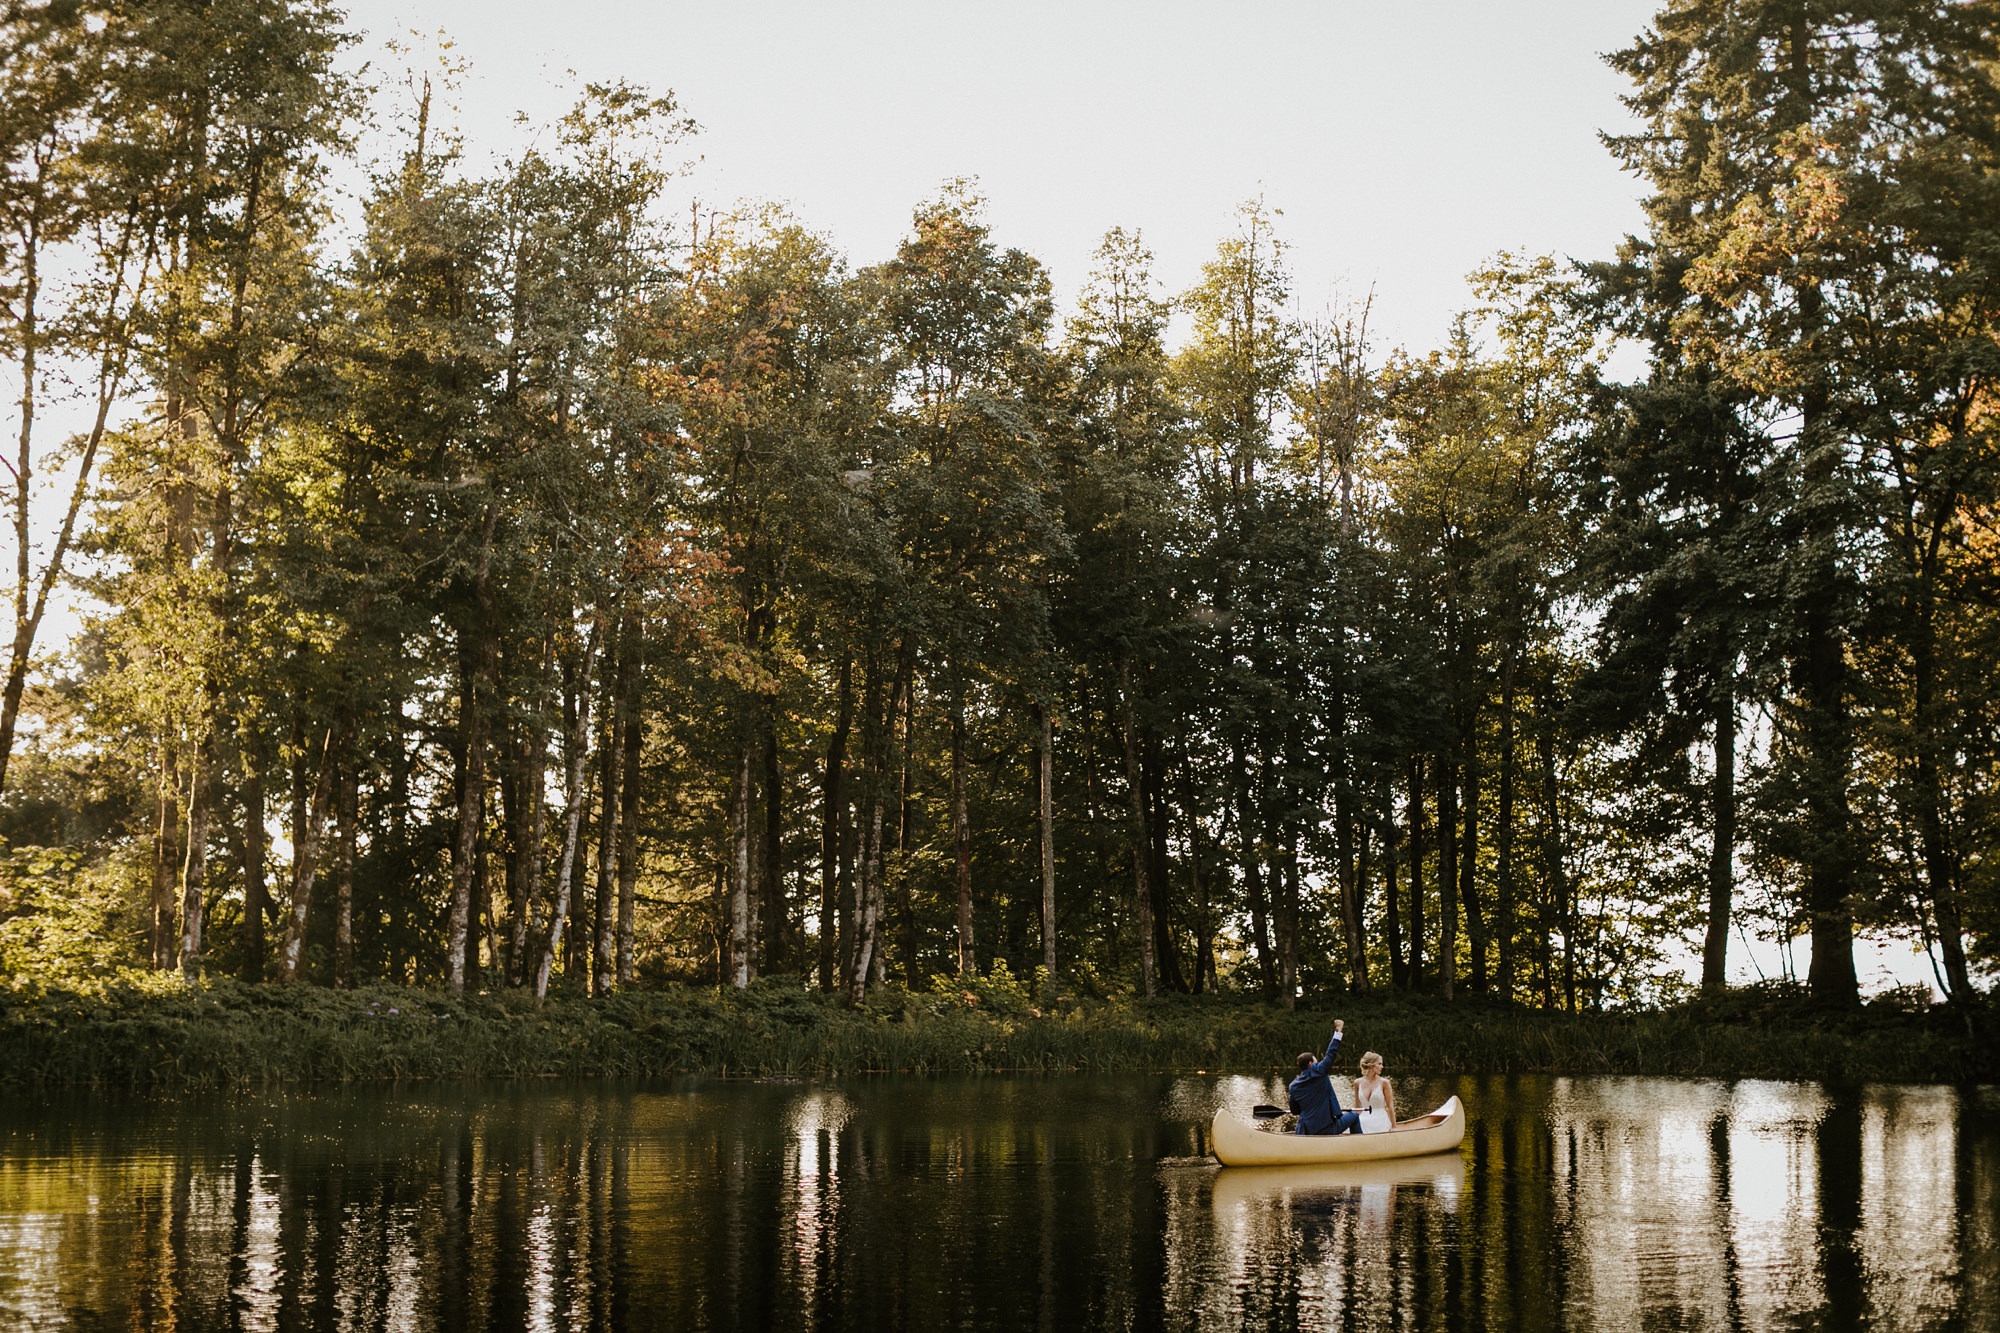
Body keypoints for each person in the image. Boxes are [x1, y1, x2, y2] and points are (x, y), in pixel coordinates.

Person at [1287, 1018, 1362, 1135]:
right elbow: (1331, 1052)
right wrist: (1339, 1030)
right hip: (1326, 1128)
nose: (1318, 1063)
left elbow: (1295, 1111)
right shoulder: (1319, 1071)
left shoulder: (1293, 1086)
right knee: (1354, 1116)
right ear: (1310, 1064)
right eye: (1316, 1061)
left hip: (1306, 1130)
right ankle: (1359, 1146)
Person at [1353, 1051, 1397, 1133]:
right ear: (1372, 1065)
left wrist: (1394, 1126)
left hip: (1380, 1121)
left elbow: (1390, 1106)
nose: (1382, 1067)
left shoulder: (1384, 1083)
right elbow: (1358, 1108)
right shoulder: (1357, 1083)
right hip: (1363, 1120)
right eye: (1379, 1064)